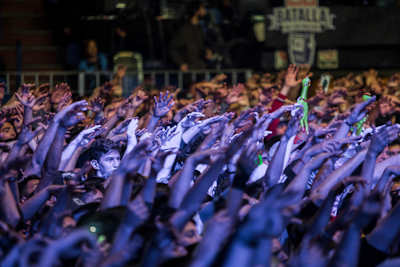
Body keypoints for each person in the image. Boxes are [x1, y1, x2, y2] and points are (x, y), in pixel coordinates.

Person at [169, 1, 210, 71]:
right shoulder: (184, 29)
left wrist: (206, 52)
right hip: (189, 70)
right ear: (196, 11)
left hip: (200, 68)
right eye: (202, 8)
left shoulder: (199, 28)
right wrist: (181, 63)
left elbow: (200, 46)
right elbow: (173, 48)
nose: (205, 11)